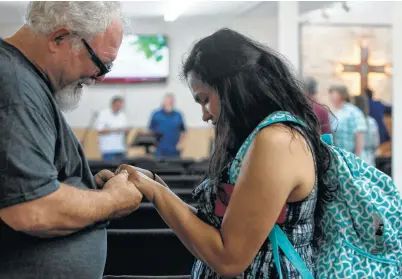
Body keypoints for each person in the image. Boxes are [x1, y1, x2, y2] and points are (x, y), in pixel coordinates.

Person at [117, 28, 334, 278]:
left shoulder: (276, 141)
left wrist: (155, 193)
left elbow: (228, 259)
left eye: (204, 99)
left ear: (231, 87)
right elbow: (216, 231)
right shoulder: (259, 139)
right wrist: (154, 184)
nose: (205, 114)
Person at [0, 2, 143, 278]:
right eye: (100, 64)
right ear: (59, 38)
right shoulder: (16, 88)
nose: (99, 77)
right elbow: (31, 210)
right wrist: (113, 200)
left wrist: (89, 190)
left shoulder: (27, 83)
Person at [329, 85, 367, 157]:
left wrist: (357, 157)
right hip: (341, 156)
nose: (331, 97)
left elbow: (359, 134)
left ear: (341, 95)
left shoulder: (352, 111)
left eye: (333, 93)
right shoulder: (335, 113)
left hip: (352, 156)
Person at [149, 93, 186, 157]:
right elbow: (150, 131)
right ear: (164, 102)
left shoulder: (178, 115)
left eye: (172, 102)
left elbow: (183, 131)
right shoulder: (156, 114)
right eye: (169, 102)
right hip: (159, 150)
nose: (171, 104)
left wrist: (180, 144)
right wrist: (152, 145)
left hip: (174, 150)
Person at [96, 96, 130, 161]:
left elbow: (125, 132)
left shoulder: (122, 115)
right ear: (113, 104)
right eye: (118, 104)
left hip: (121, 148)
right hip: (108, 149)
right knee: (109, 169)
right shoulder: (103, 114)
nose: (120, 106)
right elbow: (100, 130)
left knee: (122, 169)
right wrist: (116, 130)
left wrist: (126, 131)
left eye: (121, 105)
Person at [353, 95, 380, 166]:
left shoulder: (354, 121)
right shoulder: (372, 121)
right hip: (370, 156)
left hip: (357, 155)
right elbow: (376, 142)